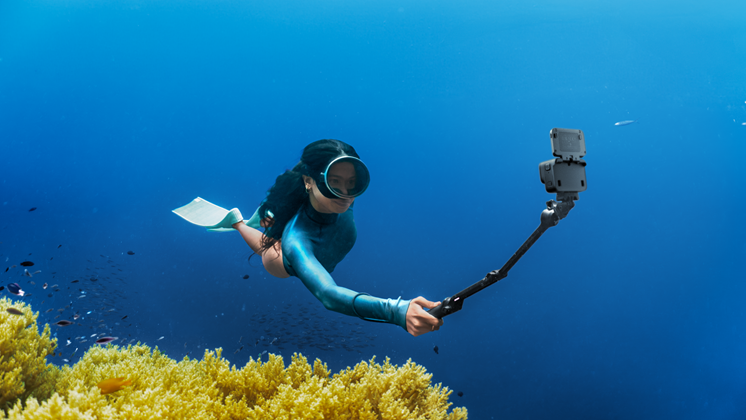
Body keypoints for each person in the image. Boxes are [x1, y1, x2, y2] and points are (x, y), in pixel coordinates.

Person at [231, 139, 443, 337]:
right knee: (269, 250)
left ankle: (272, 215)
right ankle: (237, 222)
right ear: (309, 182)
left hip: (307, 213)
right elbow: (328, 294)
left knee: (282, 219)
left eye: (352, 183)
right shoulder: (296, 242)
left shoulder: (342, 199)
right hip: (282, 264)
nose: (345, 194)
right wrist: (396, 311)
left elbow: (325, 175)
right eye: (334, 183)